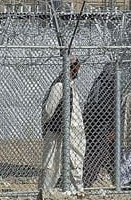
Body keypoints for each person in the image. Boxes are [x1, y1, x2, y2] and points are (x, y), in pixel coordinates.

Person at [38, 55, 86, 195]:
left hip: (72, 133)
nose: (77, 72)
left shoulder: (69, 86)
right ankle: (46, 192)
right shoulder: (59, 86)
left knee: (75, 162)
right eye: (76, 68)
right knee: (51, 163)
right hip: (56, 132)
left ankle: (76, 191)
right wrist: (47, 128)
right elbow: (48, 110)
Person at [83, 63, 116, 188]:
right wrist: (113, 127)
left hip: (98, 123)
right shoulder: (105, 84)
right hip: (101, 123)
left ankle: (117, 181)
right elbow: (111, 107)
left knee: (102, 153)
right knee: (99, 153)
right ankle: (87, 180)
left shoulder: (101, 83)